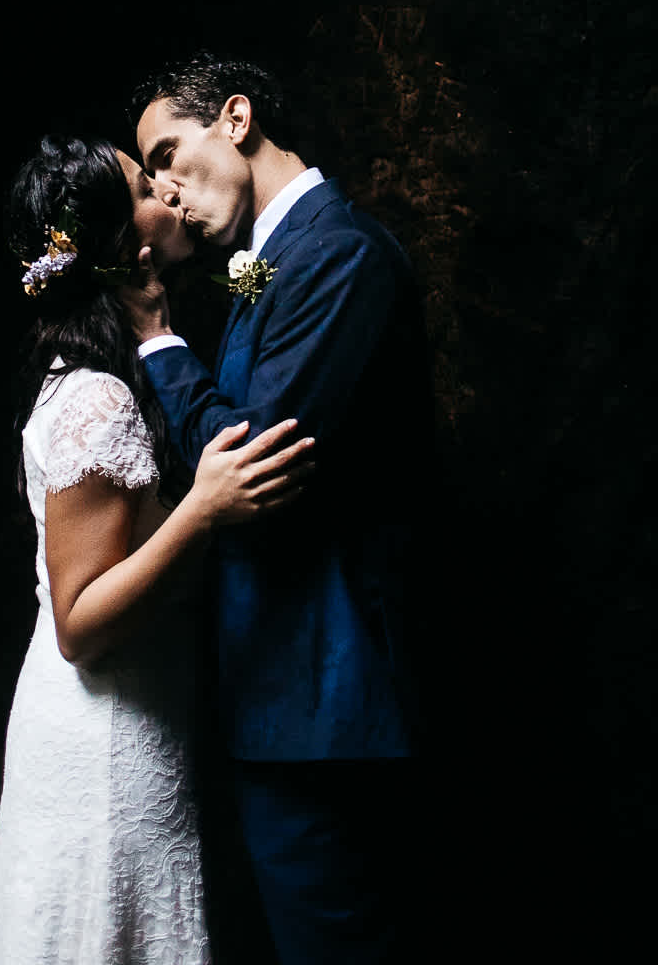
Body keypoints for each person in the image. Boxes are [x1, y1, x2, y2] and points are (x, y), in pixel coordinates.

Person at [0, 134, 316, 965]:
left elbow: (274, 290)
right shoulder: (95, 392)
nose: (169, 187)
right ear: (123, 245)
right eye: (145, 185)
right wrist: (202, 510)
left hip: (148, 713)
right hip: (103, 737)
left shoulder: (176, 301)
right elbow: (79, 624)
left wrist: (294, 253)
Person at [121, 53, 432, 965]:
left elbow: (249, 464)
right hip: (281, 703)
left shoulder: (339, 252)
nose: (167, 190)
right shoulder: (264, 264)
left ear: (238, 117)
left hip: (326, 711)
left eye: (171, 155)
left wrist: (157, 342)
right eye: (151, 179)